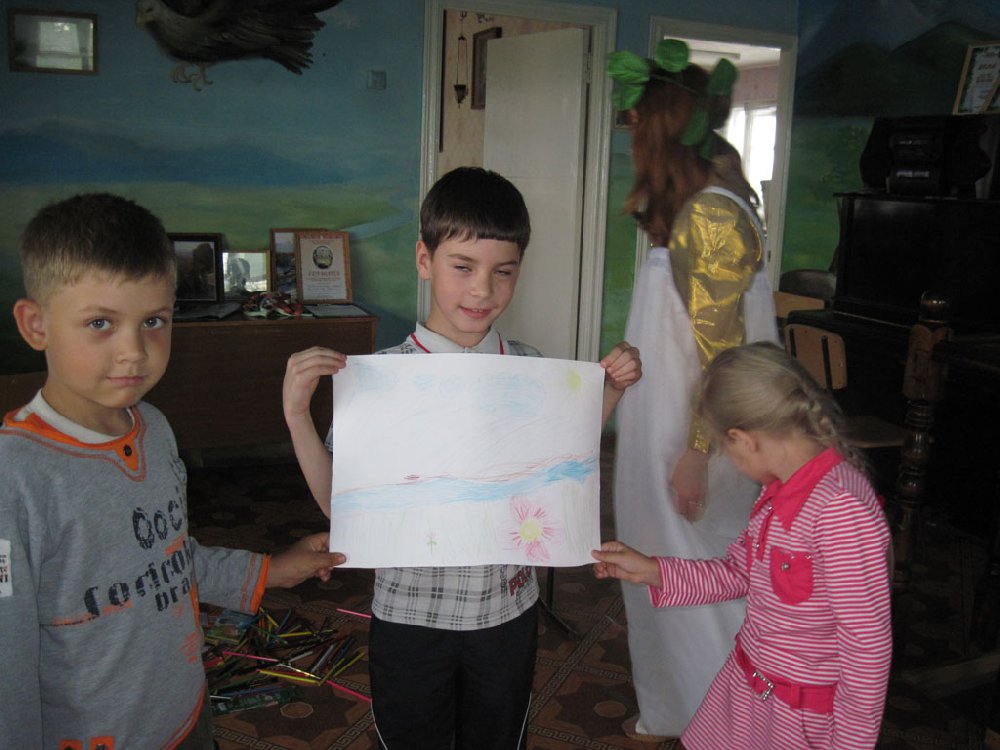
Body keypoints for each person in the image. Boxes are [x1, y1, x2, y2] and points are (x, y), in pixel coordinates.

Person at [282, 166, 642, 750]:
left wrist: (612, 391)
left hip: (507, 612)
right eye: (463, 267)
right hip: (411, 614)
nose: (482, 290)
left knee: (497, 736)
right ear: (424, 260)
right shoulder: (379, 379)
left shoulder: (531, 368)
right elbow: (337, 506)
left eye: (503, 272)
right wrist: (298, 415)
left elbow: (561, 459)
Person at [0, 192, 346, 749]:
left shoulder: (155, 429)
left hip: (185, 715)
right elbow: (6, 667)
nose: (134, 351)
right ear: (36, 324)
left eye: (154, 321)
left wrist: (271, 570)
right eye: (99, 322)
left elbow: (164, 560)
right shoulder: (13, 479)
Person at [606, 39, 781, 740]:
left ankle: (730, 723)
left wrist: (697, 453)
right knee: (666, 570)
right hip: (667, 428)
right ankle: (678, 706)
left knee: (699, 577)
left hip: (693, 434)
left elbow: (726, 355)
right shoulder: (696, 208)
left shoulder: (710, 216)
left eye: (637, 126)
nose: (632, 141)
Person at [593, 342, 893, 749]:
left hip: (798, 719)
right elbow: (739, 572)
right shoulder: (778, 491)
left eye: (725, 448)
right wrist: (653, 570)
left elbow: (867, 648)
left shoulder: (840, 509)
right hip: (749, 691)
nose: (732, 462)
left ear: (743, 439)